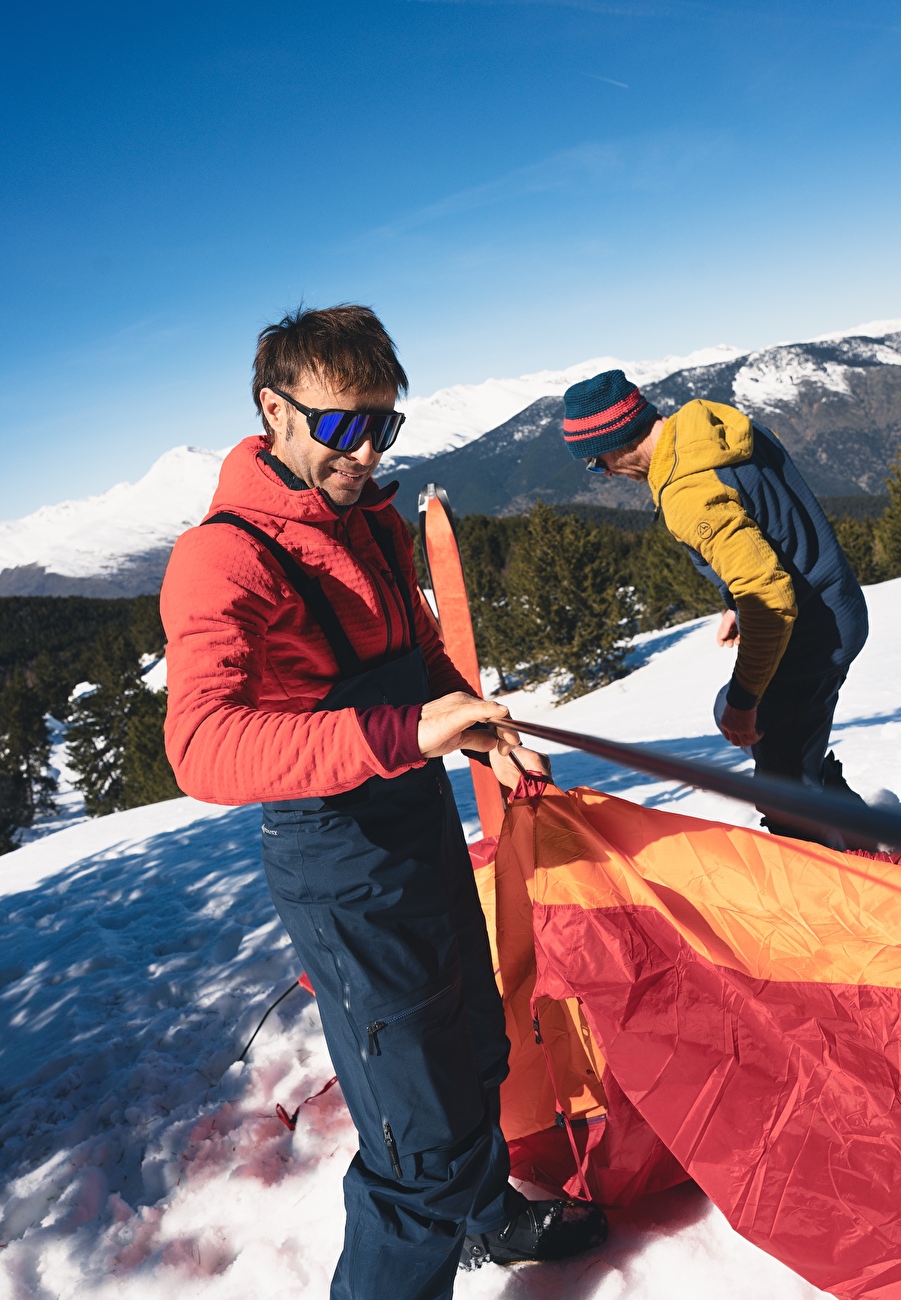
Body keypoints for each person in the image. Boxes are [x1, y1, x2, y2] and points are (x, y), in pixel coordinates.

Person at [161, 306, 607, 1300]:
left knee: (473, 1044)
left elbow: (415, 657)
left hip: (414, 821)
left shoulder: (367, 518)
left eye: (383, 425)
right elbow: (199, 748)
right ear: (273, 409)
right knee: (415, 1145)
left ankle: (490, 1217)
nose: (363, 450)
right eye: (339, 426)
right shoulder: (223, 558)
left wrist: (472, 721)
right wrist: (407, 732)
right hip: (337, 858)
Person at [561, 369, 870, 845]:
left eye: (596, 462)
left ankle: (843, 880)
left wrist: (746, 703)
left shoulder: (688, 492)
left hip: (809, 638)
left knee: (780, 785)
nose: (603, 473)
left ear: (615, 440)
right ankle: (850, 821)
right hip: (837, 606)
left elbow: (768, 594)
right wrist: (736, 604)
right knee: (787, 743)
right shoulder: (709, 428)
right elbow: (772, 522)